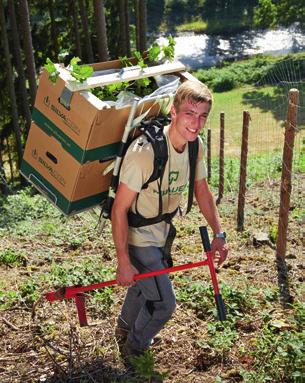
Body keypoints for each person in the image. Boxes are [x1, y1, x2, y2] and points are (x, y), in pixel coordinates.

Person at [111, 80, 229, 361]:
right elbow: (119, 209)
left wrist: (219, 233)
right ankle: (134, 351)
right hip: (139, 236)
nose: (196, 123)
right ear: (174, 112)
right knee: (164, 304)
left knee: (144, 285)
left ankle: (123, 330)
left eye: (202, 116)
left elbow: (201, 189)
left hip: (162, 232)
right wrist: (123, 261)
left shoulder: (193, 146)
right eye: (189, 113)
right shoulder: (145, 152)